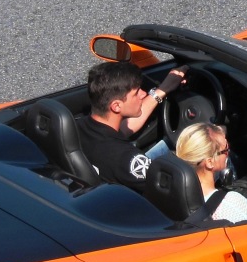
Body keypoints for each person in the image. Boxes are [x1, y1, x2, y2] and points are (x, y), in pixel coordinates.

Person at [76, 60, 185, 189]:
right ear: (116, 106)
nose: (144, 94)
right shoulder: (126, 159)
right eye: (136, 92)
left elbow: (126, 127)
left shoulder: (78, 127)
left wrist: (163, 89)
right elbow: (176, 192)